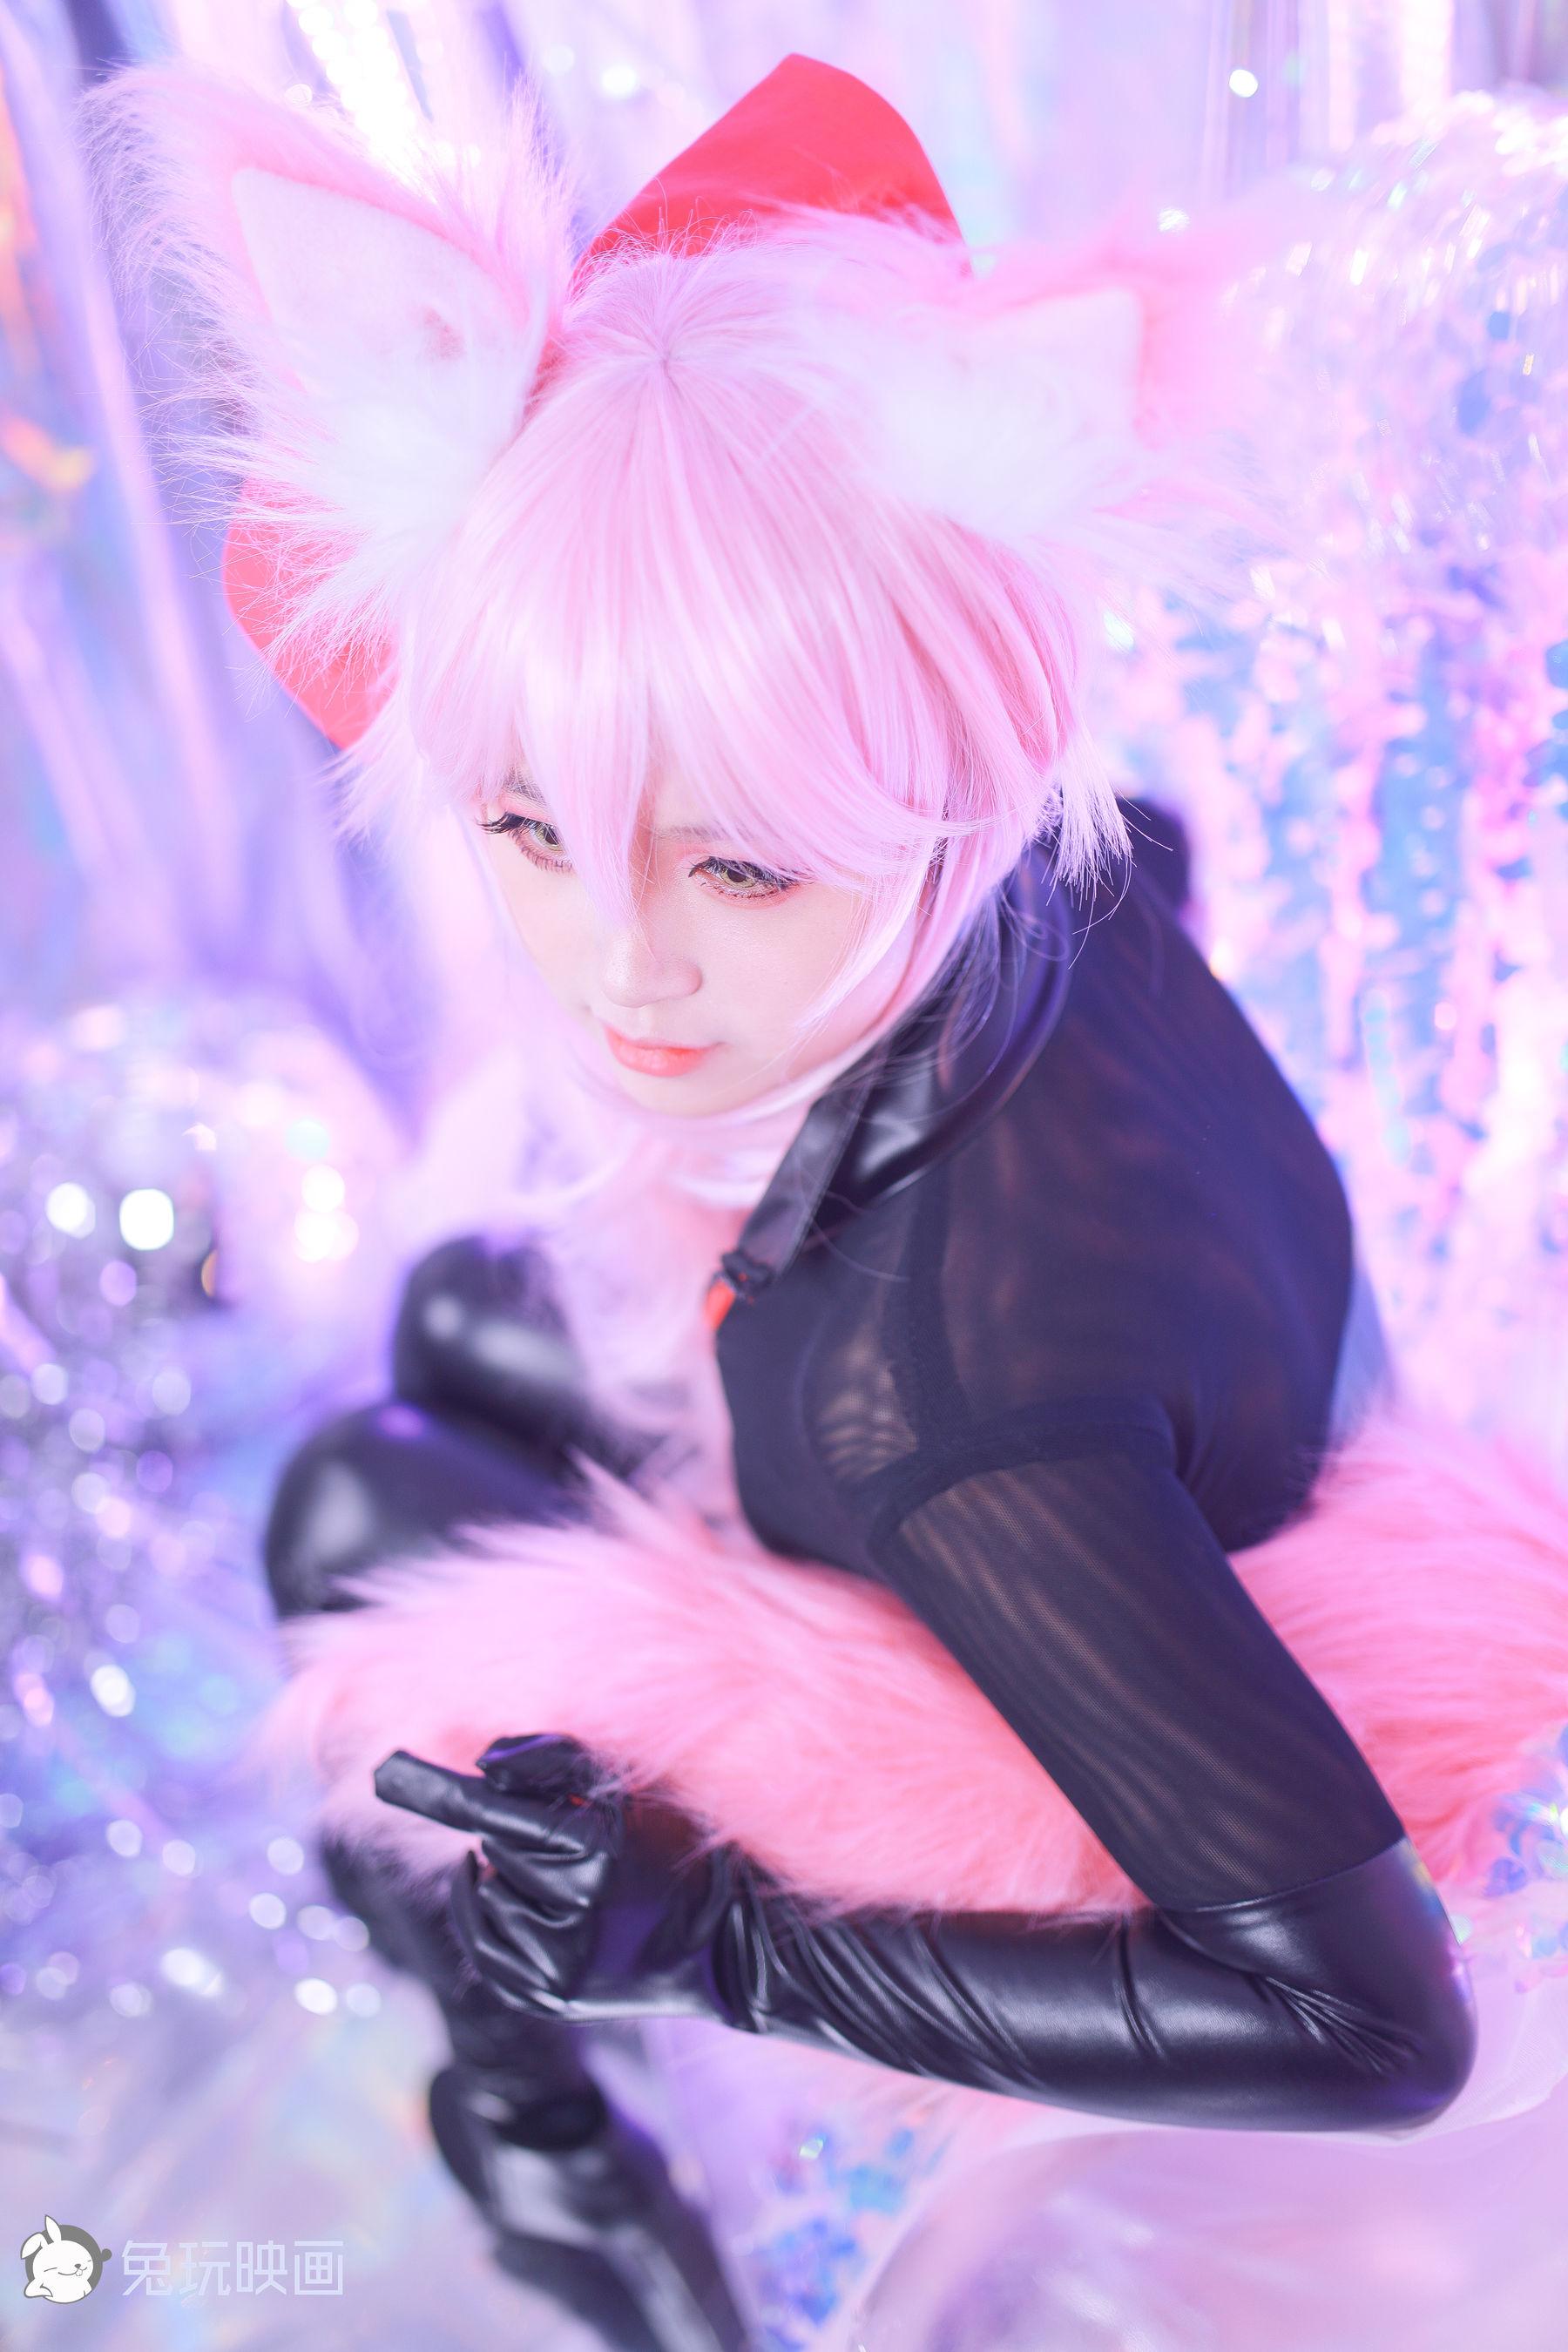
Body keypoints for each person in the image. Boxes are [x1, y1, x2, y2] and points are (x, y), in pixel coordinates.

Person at [97, 48, 1549, 2352]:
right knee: (467, 1311)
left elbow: (1376, 2023)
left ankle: (546, 2142)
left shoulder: (940, 1409)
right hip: (1209, 1459)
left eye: (742, 866)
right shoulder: (1054, 873)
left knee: (363, 1508)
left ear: (918, 777)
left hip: (1058, 1705)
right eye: (533, 829)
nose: (620, 967)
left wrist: (710, 1938)